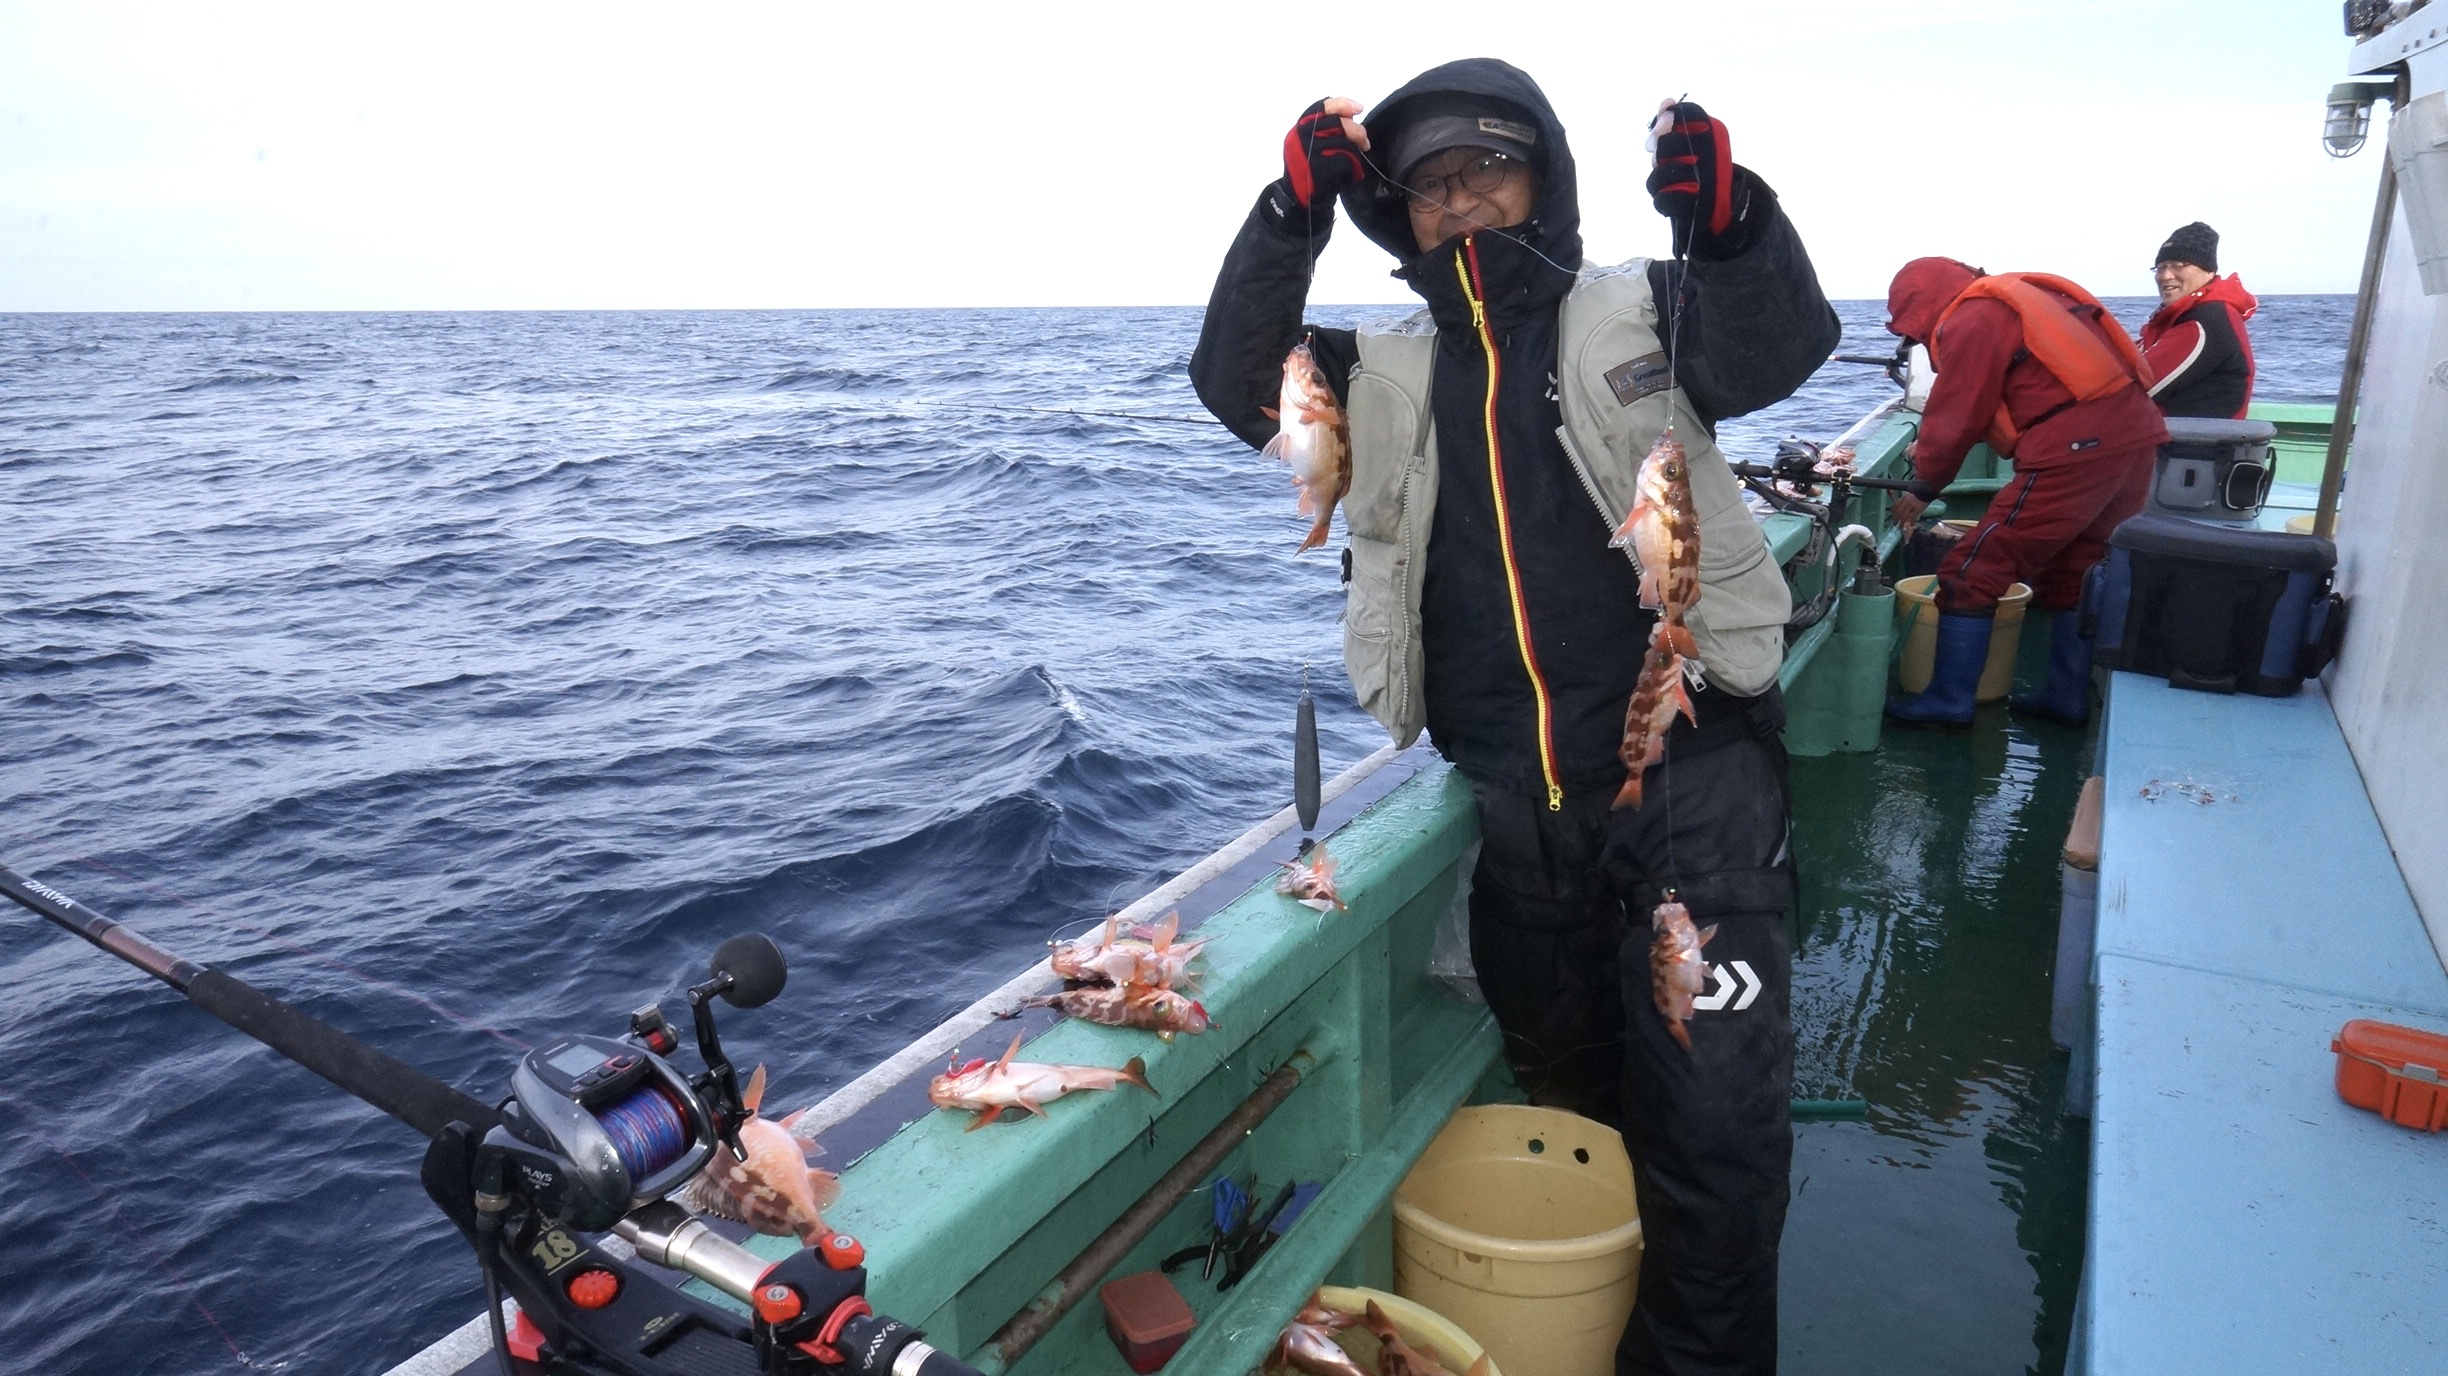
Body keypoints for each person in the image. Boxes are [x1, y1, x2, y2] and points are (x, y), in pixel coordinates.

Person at [1190, 60, 1838, 1376]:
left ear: (1546, 176)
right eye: (1429, 182)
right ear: (1398, 214)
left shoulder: (1647, 304)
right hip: (1518, 814)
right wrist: (1286, 219)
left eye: (1489, 164)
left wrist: (1731, 226)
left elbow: (1777, 346)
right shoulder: (1376, 370)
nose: (1462, 197)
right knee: (1574, 1090)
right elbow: (1234, 380)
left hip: (1696, 781)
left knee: (1716, 1145)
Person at [1882, 258, 2169, 727]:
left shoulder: (1973, 316)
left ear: (1923, 307)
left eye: (1913, 333)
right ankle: (2066, 697)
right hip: (2136, 443)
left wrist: (1924, 487)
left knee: (1973, 570)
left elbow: (1957, 413)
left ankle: (1949, 701)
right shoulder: (2015, 298)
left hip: (2076, 452)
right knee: (2079, 568)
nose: (1918, 341)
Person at [2139, 221, 2259, 419]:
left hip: (2191, 438)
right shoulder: (2176, 317)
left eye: (2178, 266)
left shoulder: (2207, 321)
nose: (2165, 276)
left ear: (2209, 271)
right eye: (2160, 268)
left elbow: (2138, 388)